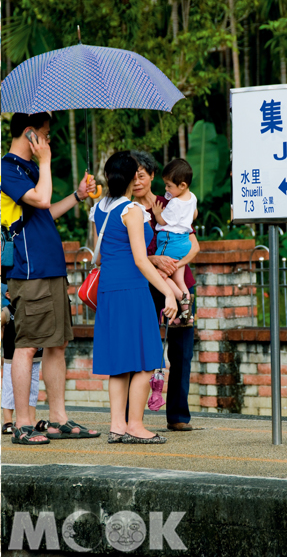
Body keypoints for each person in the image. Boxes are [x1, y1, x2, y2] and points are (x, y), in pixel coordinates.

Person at [1, 111, 100, 445]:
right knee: (27, 346)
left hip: (52, 268)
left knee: (58, 343)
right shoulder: (7, 169)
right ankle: (23, 424)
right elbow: (41, 198)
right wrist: (44, 162)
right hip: (29, 272)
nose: (48, 142)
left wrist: (77, 196)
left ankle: (58, 418)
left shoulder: (29, 169)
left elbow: (45, 211)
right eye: (44, 134)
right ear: (30, 135)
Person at [90, 151, 178, 444]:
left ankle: (117, 426)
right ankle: (136, 425)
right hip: (132, 288)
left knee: (119, 362)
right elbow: (142, 260)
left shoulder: (100, 208)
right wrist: (168, 292)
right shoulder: (132, 211)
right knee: (145, 359)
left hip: (108, 289)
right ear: (130, 178)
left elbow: (98, 255)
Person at [132, 151, 199, 432]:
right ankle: (133, 416)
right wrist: (154, 260)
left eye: (141, 175)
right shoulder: (129, 211)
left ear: (151, 176)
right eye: (132, 176)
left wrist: (178, 262)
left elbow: (191, 241)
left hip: (180, 281)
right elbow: (130, 254)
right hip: (146, 284)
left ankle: (178, 416)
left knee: (182, 350)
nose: (136, 181)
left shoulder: (171, 202)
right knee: (143, 348)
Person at [152, 159, 198, 326]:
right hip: (184, 242)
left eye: (169, 186)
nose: (166, 189)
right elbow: (194, 215)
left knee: (158, 273)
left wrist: (157, 213)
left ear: (183, 185)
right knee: (180, 280)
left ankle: (181, 297)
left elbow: (163, 222)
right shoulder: (192, 197)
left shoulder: (175, 203)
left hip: (170, 242)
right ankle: (187, 316)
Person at [1, 284, 46, 435]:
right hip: (11, 358)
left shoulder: (33, 309)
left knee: (32, 388)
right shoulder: (7, 312)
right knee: (9, 388)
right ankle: (7, 420)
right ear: (8, 295)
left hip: (35, 356)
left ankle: (32, 418)